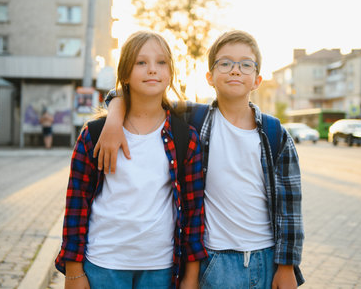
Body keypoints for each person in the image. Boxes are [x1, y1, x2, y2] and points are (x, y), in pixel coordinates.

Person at [95, 30, 305, 288]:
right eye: (225, 63)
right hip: (213, 259)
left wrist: (286, 267)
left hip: (266, 257)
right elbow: (137, 95)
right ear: (209, 77)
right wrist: (114, 118)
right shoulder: (192, 118)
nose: (235, 70)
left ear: (257, 79)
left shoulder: (275, 134)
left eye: (246, 64)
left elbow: (290, 208)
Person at [54, 31, 207, 289]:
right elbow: (76, 203)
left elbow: (194, 212)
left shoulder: (185, 137)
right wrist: (73, 270)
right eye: (141, 62)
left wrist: (191, 277)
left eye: (161, 63)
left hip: (160, 267)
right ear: (125, 73)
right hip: (103, 264)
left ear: (170, 73)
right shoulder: (95, 134)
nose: (152, 70)